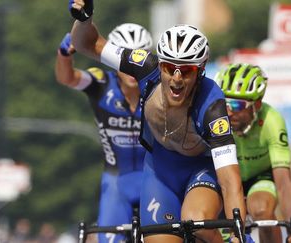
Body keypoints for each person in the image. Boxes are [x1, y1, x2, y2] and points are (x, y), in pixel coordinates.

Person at [67, 1, 247, 243]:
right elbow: (87, 44)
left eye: (187, 70)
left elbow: (230, 179)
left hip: (200, 169)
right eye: (169, 67)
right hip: (160, 171)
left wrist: (238, 234)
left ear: (201, 70)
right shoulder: (144, 66)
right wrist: (84, 19)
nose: (176, 78)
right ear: (160, 63)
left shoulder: (212, 107)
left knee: (196, 222)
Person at [55, 22, 152, 242]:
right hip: (116, 181)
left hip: (155, 180)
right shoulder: (101, 82)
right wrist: (63, 54)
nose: (131, 68)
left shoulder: (158, 89)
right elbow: (67, 78)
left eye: (137, 59)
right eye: (124, 61)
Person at [215, 63, 291, 243]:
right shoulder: (216, 118)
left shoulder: (272, 120)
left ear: (256, 104)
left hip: (259, 178)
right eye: (224, 102)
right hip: (225, 180)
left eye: (237, 104)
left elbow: (284, 183)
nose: (229, 111)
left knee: (262, 211)